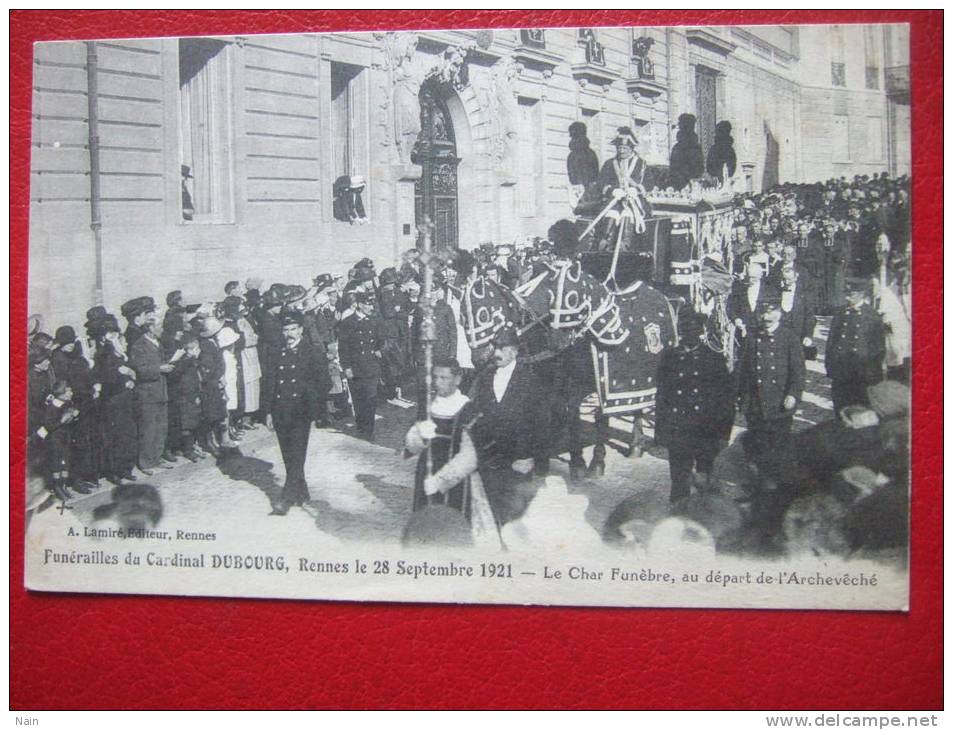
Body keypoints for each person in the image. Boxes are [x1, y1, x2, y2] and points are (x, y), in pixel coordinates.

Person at [403, 357, 500, 547]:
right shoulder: (429, 405)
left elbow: (470, 457)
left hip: (457, 481)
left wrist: (441, 482)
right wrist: (419, 436)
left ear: (457, 380)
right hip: (426, 472)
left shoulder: (467, 408)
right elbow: (410, 447)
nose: (438, 383)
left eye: (444, 378)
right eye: (436, 377)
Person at [467, 327, 549, 526]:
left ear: (515, 352)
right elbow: (476, 416)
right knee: (491, 512)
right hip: (490, 460)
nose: (496, 353)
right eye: (495, 347)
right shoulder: (485, 378)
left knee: (515, 517)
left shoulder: (530, 381)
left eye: (502, 348)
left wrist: (530, 456)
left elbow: (541, 423)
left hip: (518, 460)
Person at [654, 312, 735, 503]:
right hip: (679, 430)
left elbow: (726, 400)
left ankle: (705, 520)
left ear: (700, 332)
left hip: (706, 430)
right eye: (684, 331)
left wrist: (724, 434)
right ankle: (678, 516)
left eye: (692, 331)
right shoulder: (669, 357)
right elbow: (662, 397)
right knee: (679, 481)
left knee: (704, 481)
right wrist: (660, 431)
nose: (687, 335)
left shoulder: (713, 359)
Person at [260, 311, 331, 515]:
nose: (289, 333)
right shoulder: (275, 351)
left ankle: (286, 497)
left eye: (293, 329)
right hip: (280, 409)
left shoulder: (312, 351)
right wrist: (267, 411)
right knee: (287, 453)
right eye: (285, 329)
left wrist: (313, 403)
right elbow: (269, 383)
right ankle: (301, 490)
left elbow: (324, 381)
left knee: (297, 453)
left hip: (301, 411)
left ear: (300, 329)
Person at [736, 299, 806, 481]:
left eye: (771, 312)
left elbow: (798, 372)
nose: (766, 317)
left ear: (780, 314)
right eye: (763, 313)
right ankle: (758, 485)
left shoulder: (789, 338)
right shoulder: (752, 337)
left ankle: (778, 485)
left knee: (778, 446)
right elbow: (742, 370)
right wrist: (738, 396)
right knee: (757, 445)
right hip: (756, 402)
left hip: (779, 403)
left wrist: (793, 394)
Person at [126, 297, 176, 475]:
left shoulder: (157, 343)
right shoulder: (139, 346)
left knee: (161, 427)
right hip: (147, 394)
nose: (163, 330)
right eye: (160, 327)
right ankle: (146, 462)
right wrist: (159, 368)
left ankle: (157, 456)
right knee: (148, 429)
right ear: (150, 328)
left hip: (161, 391)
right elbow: (140, 369)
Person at [826, 280, 886, 414]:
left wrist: (872, 376)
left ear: (861, 294)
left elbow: (878, 349)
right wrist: (831, 367)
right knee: (840, 409)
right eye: (846, 294)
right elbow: (831, 342)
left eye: (851, 294)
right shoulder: (841, 313)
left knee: (860, 411)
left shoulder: (871, 316)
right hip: (841, 374)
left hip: (861, 376)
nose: (847, 297)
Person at [337, 291, 384, 440]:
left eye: (372, 304)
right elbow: (343, 347)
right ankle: (361, 428)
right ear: (359, 305)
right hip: (355, 368)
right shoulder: (348, 323)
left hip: (371, 366)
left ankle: (368, 431)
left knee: (371, 399)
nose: (371, 307)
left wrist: (379, 349)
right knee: (358, 400)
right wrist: (347, 367)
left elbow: (380, 340)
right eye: (368, 304)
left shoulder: (374, 321)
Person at [778, 264, 817, 356]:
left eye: (789, 279)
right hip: (780, 333)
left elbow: (809, 316)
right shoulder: (777, 291)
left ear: (796, 277)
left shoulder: (804, 293)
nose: (786, 282)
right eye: (784, 279)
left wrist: (808, 335)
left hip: (797, 333)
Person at [669, 113, 704, 191]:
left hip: (684, 185)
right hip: (684, 185)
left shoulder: (678, 147)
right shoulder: (696, 147)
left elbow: (699, 168)